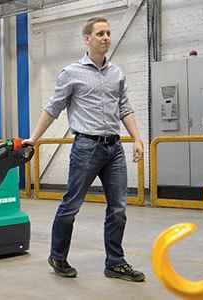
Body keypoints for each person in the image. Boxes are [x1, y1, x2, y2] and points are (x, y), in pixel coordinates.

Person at [22, 17, 145, 282]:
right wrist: (33, 139)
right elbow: (53, 108)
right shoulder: (71, 72)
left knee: (118, 208)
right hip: (86, 147)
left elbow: (125, 108)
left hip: (114, 148)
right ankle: (58, 255)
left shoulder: (117, 73)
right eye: (100, 33)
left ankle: (115, 262)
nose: (106, 38)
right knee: (71, 205)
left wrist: (136, 139)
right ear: (87, 39)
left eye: (109, 33)